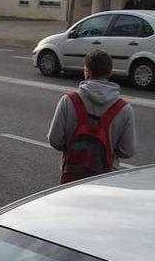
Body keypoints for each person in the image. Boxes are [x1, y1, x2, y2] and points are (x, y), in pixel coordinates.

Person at [47, 49, 136, 183]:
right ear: (110, 72)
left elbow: (55, 140)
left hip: (72, 180)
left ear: (86, 71)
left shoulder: (68, 101)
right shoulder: (124, 109)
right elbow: (128, 150)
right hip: (106, 179)